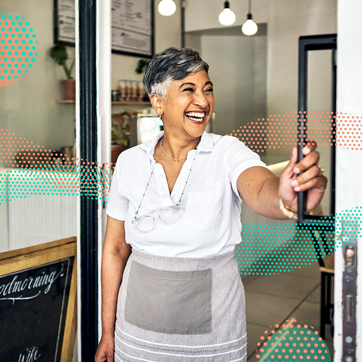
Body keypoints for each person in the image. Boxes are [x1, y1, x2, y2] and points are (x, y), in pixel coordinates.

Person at [94, 47, 327, 362]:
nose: (202, 101)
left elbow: (259, 188)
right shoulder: (129, 162)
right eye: (188, 90)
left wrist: (286, 199)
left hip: (212, 333)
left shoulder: (228, 151)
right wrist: (108, 332)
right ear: (157, 102)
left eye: (207, 90)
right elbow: (115, 250)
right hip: (137, 330)